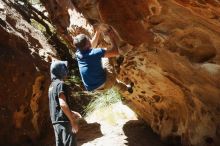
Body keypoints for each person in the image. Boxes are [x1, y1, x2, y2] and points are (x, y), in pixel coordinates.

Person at [73, 26, 133, 93]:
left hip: (96, 88)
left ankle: (127, 88)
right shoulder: (95, 53)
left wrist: (97, 32)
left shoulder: (79, 53)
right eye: (88, 40)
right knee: (106, 56)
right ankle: (117, 64)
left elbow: (91, 46)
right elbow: (115, 52)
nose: (90, 40)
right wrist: (111, 37)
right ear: (87, 44)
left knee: (112, 82)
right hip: (106, 82)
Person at [48, 60, 82, 146]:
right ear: (60, 70)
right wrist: (72, 120)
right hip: (64, 122)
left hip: (56, 121)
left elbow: (56, 105)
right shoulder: (60, 84)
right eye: (64, 68)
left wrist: (71, 112)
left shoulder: (51, 86)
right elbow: (62, 104)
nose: (66, 70)